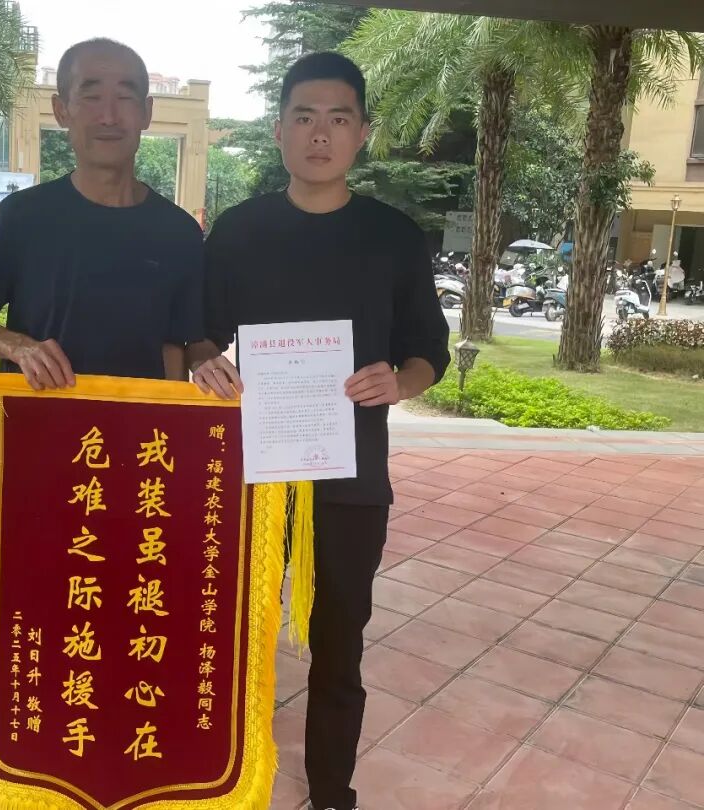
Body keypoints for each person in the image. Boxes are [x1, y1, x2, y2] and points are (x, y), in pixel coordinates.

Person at [186, 52, 450, 810]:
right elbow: (199, 332)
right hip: (251, 475)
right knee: (233, 630)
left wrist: (400, 382)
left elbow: (427, 349)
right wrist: (204, 361)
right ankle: (220, 772)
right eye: (304, 117)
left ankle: (332, 789)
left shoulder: (393, 237)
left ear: (362, 132)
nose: (321, 134)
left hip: (352, 477)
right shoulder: (240, 231)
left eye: (339, 118)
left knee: (340, 640)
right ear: (280, 131)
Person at [0, 38, 204, 386]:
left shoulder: (179, 232)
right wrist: (19, 347)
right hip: (40, 416)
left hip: (136, 421)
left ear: (146, 112)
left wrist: (173, 411)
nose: (109, 116)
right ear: (61, 110)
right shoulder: (23, 216)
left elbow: (175, 345)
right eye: (91, 96)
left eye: (125, 97)